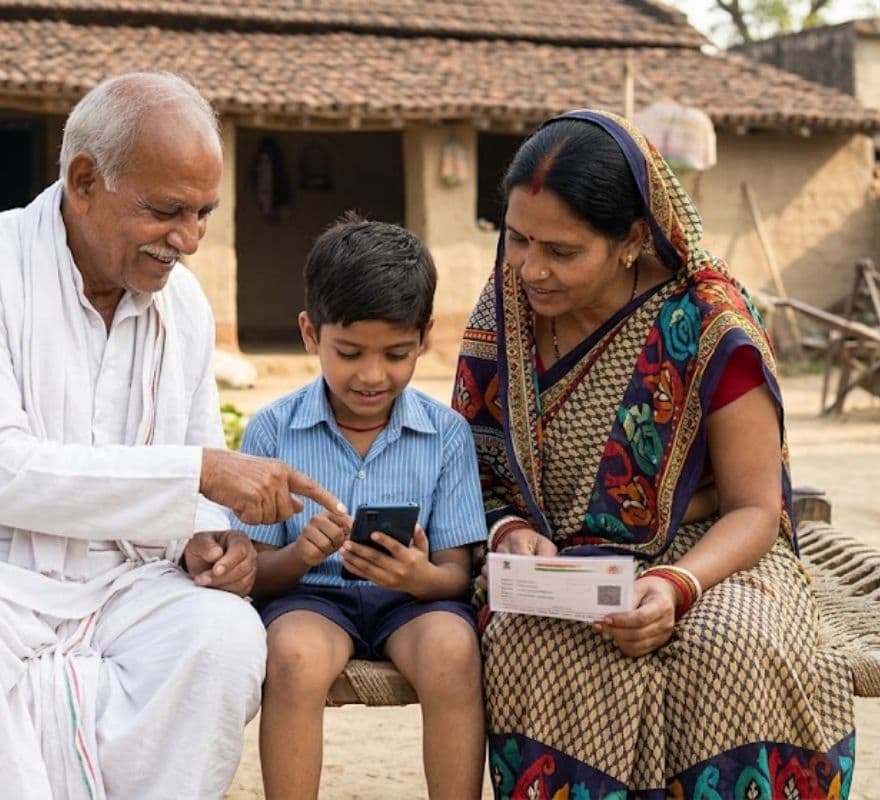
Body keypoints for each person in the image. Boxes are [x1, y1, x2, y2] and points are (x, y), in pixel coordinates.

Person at [0, 72, 342, 800]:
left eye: (204, 213)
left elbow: (191, 482)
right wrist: (198, 475)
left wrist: (210, 540)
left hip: (121, 582)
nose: (187, 240)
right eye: (167, 211)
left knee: (221, 637)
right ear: (85, 179)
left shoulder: (181, 305)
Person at [454, 110, 856, 797]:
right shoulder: (506, 311)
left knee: (733, 649)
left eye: (562, 250)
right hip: (555, 566)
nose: (531, 268)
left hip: (712, 554)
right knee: (537, 646)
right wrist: (510, 529)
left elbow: (756, 508)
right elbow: (473, 467)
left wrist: (675, 586)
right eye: (517, 239)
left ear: (633, 240)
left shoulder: (704, 323)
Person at [240, 215, 487, 800]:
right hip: (310, 600)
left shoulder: (446, 435)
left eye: (398, 354)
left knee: (455, 651)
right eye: (349, 353)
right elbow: (256, 571)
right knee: (293, 656)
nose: (373, 376)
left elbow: (456, 574)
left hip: (412, 605)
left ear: (424, 338)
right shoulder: (273, 430)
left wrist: (419, 575)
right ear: (310, 333)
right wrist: (301, 554)